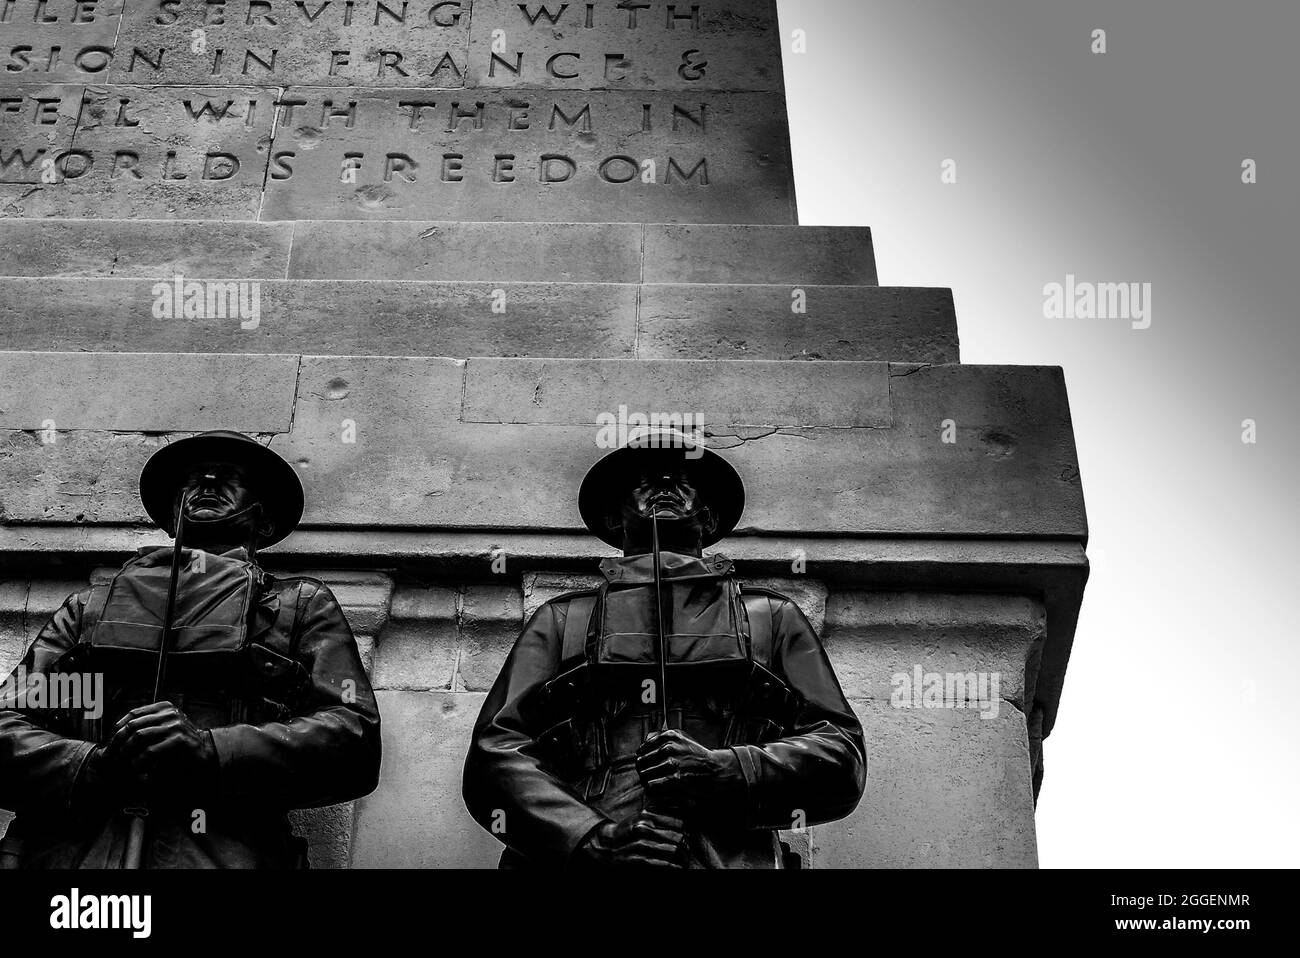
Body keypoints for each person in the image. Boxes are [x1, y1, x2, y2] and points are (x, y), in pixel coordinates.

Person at [463, 428, 866, 868]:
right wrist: (591, 837)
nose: (666, 487)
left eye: (683, 480)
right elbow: (496, 753)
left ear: (709, 520)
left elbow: (841, 754)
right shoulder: (564, 621)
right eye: (646, 480)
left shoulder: (771, 617)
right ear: (614, 519)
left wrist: (725, 768)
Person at [0, 431, 381, 868]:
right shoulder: (88, 609)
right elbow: (7, 725)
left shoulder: (299, 606)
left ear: (264, 522)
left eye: (231, 477)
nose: (208, 481)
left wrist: (210, 749)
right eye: (193, 478)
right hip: (74, 858)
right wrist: (95, 764)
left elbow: (353, 736)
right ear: (170, 515)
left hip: (220, 853)